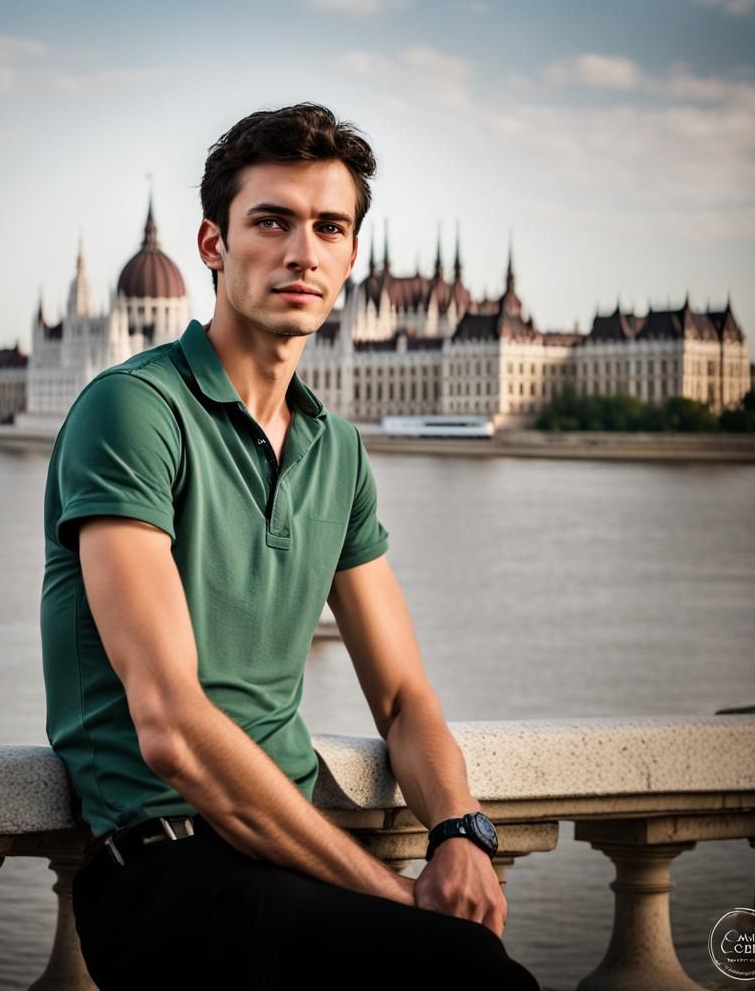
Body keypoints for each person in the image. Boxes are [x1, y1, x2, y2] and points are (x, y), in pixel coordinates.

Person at [40, 103, 540, 988]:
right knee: (475, 978)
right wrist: (390, 890)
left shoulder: (337, 451)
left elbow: (400, 694)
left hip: (293, 859)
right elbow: (171, 727)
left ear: (351, 259)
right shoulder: (132, 411)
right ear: (213, 244)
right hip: (167, 871)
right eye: (271, 220)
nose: (302, 251)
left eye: (329, 227)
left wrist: (460, 831)